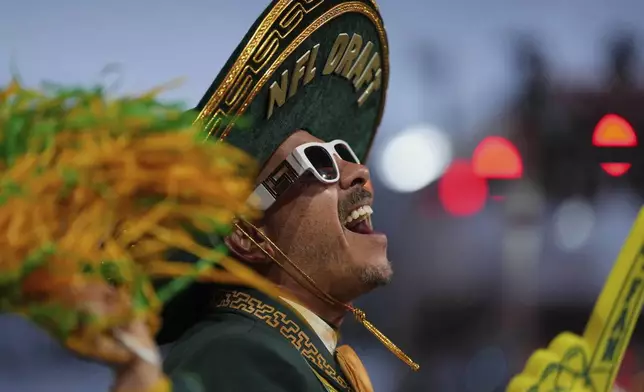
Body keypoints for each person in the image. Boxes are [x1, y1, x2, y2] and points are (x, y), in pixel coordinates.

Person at [74, 0, 417, 391]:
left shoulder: (291, 347)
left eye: (344, 153)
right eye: (319, 161)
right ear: (248, 234)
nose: (359, 172)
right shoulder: (237, 355)